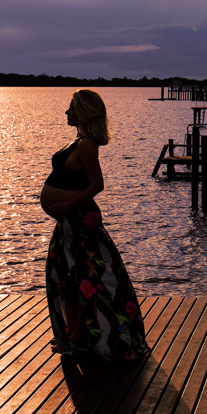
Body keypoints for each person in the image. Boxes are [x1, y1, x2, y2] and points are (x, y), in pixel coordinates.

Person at [40, 89, 148, 360]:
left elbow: (97, 184)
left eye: (72, 108)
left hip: (78, 220)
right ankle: (76, 334)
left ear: (84, 112)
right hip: (70, 221)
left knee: (84, 279)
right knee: (69, 278)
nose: (67, 112)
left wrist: (67, 205)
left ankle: (80, 337)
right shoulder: (78, 141)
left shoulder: (87, 144)